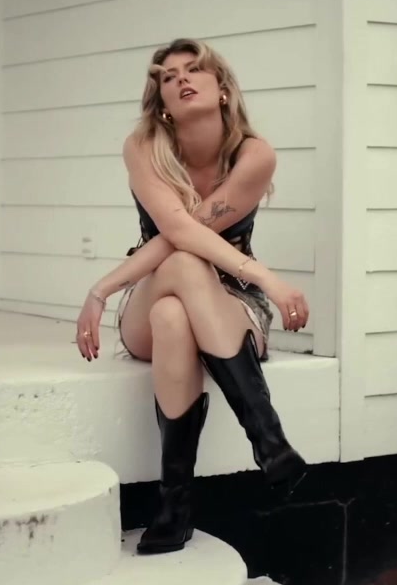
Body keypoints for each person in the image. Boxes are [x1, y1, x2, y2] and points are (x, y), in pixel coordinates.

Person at [74, 38, 310, 556]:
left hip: (232, 304)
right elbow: (178, 234)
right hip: (152, 284)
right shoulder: (143, 147)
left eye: (194, 69)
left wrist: (102, 287)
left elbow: (186, 231)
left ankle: (174, 508)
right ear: (161, 100)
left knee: (172, 317)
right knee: (179, 267)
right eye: (168, 75)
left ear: (222, 89)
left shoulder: (254, 154)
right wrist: (104, 289)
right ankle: (269, 440)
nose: (181, 78)